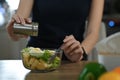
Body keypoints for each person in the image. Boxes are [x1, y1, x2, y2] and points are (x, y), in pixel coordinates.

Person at [6, 0, 104, 62]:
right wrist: (13, 30)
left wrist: (80, 52)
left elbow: (93, 33)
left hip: (73, 60)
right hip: (38, 59)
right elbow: (18, 30)